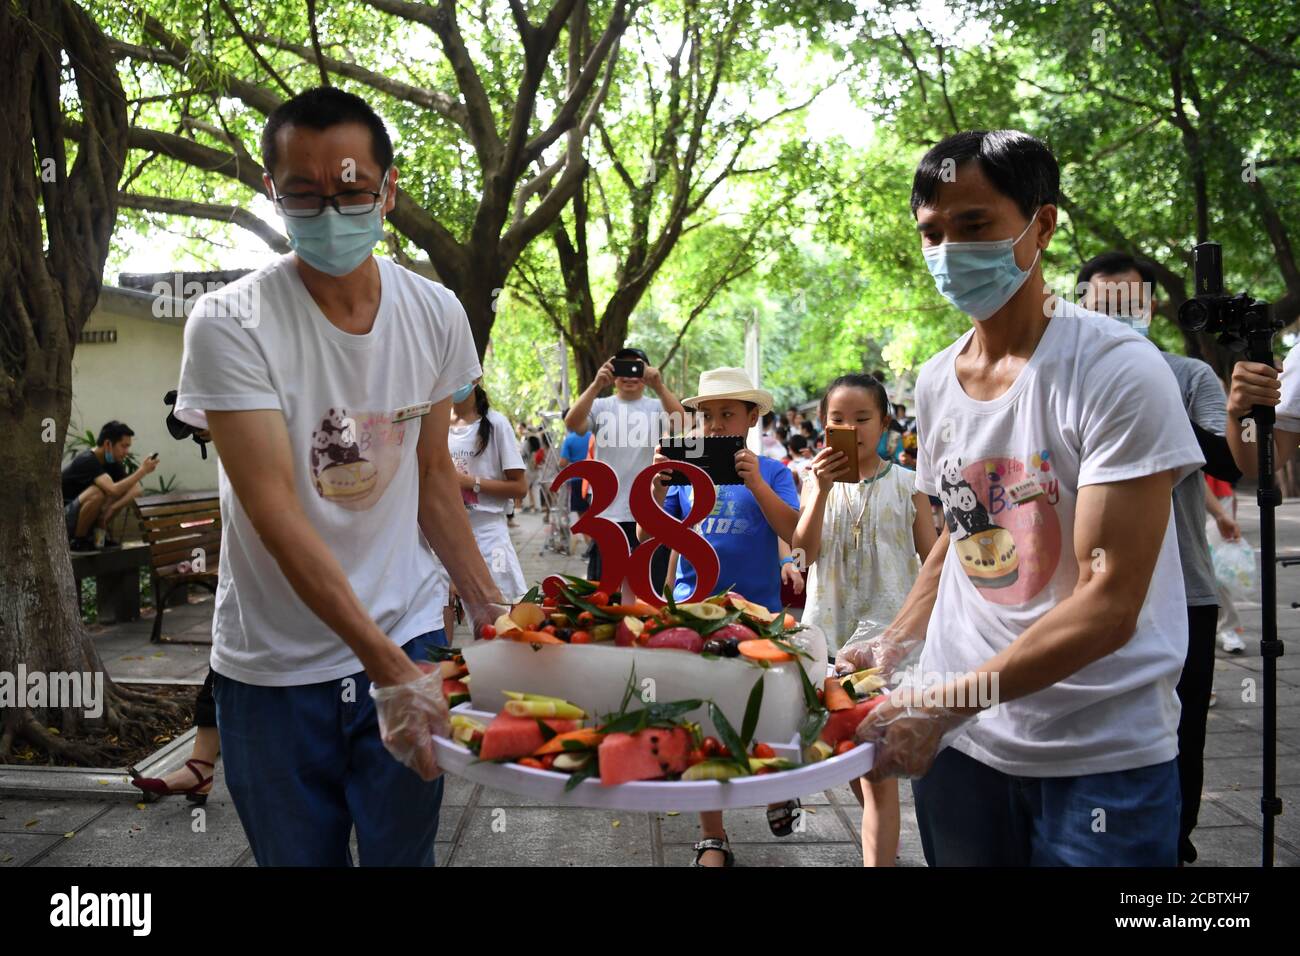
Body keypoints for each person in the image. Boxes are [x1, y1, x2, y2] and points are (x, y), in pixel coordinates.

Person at [173, 86, 506, 866]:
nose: (330, 213)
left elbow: (432, 485)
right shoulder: (229, 322)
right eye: (305, 194)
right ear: (273, 193)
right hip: (274, 668)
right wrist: (382, 666)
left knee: (404, 857)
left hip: (411, 631)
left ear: (387, 191)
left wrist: (497, 615)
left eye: (352, 191)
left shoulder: (435, 313)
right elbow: (273, 510)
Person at [853, 129, 1202, 867]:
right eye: (932, 233)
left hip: (1099, 756)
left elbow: (1111, 602)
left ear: (1040, 225)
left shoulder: (1116, 370)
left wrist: (941, 704)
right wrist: (897, 643)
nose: (949, 251)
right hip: (962, 750)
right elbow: (960, 531)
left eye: (974, 224)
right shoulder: (936, 379)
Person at [1079, 250, 1241, 865]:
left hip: (1186, 591)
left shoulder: (1188, 374)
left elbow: (1229, 462)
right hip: (1087, 592)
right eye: (1105, 299)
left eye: (1131, 299)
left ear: (1148, 306)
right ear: (1083, 303)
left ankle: (1173, 848)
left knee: (1182, 731)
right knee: (1094, 722)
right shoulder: (1060, 374)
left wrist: (1147, 389)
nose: (1119, 311)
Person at [640, 367, 801, 867]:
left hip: (759, 614)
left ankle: (777, 785)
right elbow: (652, 538)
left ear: (753, 417)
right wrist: (654, 484)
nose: (714, 425)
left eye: (727, 414)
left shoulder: (773, 471)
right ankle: (713, 835)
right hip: (694, 611)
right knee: (700, 713)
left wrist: (756, 482)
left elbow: (795, 532)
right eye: (706, 415)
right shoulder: (686, 472)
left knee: (768, 706)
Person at [793, 373, 937, 866]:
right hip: (829, 641)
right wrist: (821, 490)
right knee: (854, 762)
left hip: (886, 646)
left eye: (862, 419)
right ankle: (887, 856)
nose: (850, 429)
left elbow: (931, 557)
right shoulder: (813, 482)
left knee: (876, 771)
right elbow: (804, 552)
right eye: (837, 419)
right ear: (822, 424)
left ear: (885, 423)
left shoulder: (908, 485)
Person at [564, 347, 686, 593]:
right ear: (613, 372)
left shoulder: (656, 406)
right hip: (607, 513)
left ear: (647, 372)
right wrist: (597, 384)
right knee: (605, 593)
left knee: (648, 591)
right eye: (623, 368)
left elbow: (683, 422)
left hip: (649, 511)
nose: (630, 376)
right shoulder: (600, 405)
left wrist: (659, 386)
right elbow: (573, 423)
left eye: (637, 369)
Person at [439, 379, 529, 638]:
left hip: (488, 534)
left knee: (497, 619)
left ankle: (502, 674)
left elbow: (519, 487)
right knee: (437, 614)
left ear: (475, 378)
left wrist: (470, 483)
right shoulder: (437, 424)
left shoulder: (496, 424)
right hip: (442, 535)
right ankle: (444, 675)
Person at [62, 421, 158, 550]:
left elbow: (135, 490)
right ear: (108, 444)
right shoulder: (87, 460)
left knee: (127, 490)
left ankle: (97, 538)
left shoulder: (112, 462)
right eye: (123, 446)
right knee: (97, 492)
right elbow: (112, 490)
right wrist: (142, 471)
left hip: (85, 520)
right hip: (62, 521)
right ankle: (78, 542)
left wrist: (111, 509)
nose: (126, 452)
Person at [558, 414, 594, 556]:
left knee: (582, 517)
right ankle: (595, 546)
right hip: (594, 480)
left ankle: (591, 548)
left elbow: (562, 462)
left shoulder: (570, 439)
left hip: (578, 480)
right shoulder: (592, 435)